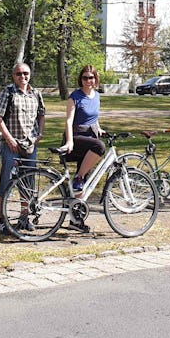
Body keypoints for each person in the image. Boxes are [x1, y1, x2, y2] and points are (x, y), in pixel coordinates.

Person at [0, 62, 45, 232]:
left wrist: (40, 134)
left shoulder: (36, 93)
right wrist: (9, 139)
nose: (23, 77)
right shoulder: (8, 92)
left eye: (26, 73)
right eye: (19, 74)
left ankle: (24, 217)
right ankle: (2, 219)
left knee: (28, 182)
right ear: (13, 76)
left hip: (30, 145)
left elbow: (42, 115)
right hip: (11, 146)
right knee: (6, 182)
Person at [60, 65, 106, 233]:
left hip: (90, 135)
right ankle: (78, 177)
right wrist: (70, 141)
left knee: (83, 183)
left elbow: (94, 117)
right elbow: (68, 121)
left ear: (95, 79)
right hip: (77, 136)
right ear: (81, 79)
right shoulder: (75, 97)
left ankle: (75, 220)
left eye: (91, 77)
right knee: (100, 147)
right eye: (85, 78)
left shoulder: (96, 96)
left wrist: (98, 129)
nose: (88, 81)